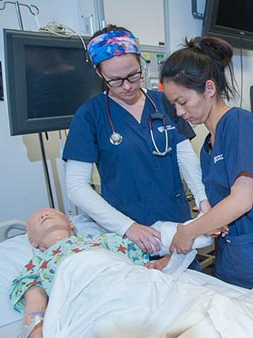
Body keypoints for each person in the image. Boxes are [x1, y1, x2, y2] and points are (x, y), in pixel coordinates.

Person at [159, 36, 253, 302]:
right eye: (173, 105)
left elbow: (241, 200)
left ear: (209, 88)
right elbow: (223, 209)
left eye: (182, 101)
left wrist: (190, 231)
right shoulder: (208, 145)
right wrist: (207, 225)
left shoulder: (239, 124)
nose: (179, 112)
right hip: (238, 262)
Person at [62, 25, 211, 255]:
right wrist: (127, 227)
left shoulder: (164, 102)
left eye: (133, 74)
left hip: (177, 227)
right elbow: (76, 187)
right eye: (116, 80)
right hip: (128, 235)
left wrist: (202, 197)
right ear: (99, 73)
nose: (128, 85)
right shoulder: (90, 115)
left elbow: (184, 156)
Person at [10, 208, 210, 338]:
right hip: (83, 297)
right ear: (33, 243)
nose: (43, 215)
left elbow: (143, 270)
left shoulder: (107, 241)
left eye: (50, 212)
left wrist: (167, 261)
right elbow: (35, 307)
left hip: (123, 280)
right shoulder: (36, 264)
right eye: (36, 219)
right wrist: (36, 326)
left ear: (71, 223)